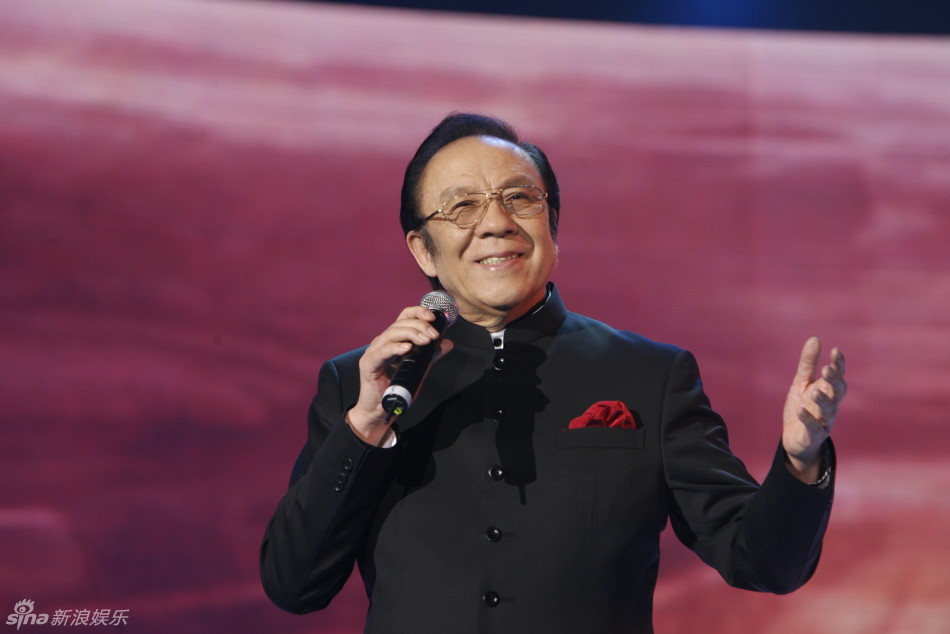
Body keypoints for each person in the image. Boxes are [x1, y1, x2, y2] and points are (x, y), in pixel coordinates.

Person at [259, 113, 847, 633]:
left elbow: (764, 561)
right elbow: (295, 585)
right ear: (423, 250)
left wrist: (801, 462)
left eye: (520, 198)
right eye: (462, 206)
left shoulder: (648, 375)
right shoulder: (362, 385)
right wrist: (363, 428)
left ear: (553, 225)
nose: (496, 223)